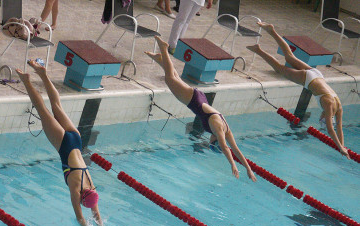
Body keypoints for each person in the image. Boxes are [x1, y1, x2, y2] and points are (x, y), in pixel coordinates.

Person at [16, 60, 111, 226]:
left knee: (56, 105)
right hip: (63, 145)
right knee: (41, 109)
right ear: (83, 197)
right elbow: (80, 217)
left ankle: (43, 74)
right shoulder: (76, 188)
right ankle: (26, 80)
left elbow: (95, 210)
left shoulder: (90, 186)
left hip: (76, 139)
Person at [147, 36, 257, 181]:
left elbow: (236, 150)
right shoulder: (218, 129)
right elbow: (225, 148)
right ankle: (164, 48)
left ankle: (161, 59)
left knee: (175, 78)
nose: (209, 139)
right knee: (170, 79)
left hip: (198, 98)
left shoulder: (226, 130)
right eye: (210, 142)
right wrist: (233, 165)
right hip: (193, 101)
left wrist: (248, 170)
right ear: (214, 141)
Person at [247, 22, 350, 159]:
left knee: (290, 57)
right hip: (308, 79)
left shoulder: (338, 107)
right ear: (326, 117)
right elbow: (332, 130)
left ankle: (271, 31)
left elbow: (340, 129)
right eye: (322, 119)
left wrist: (342, 147)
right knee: (279, 69)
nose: (320, 117)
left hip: (317, 74)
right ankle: (258, 50)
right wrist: (339, 146)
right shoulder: (329, 106)